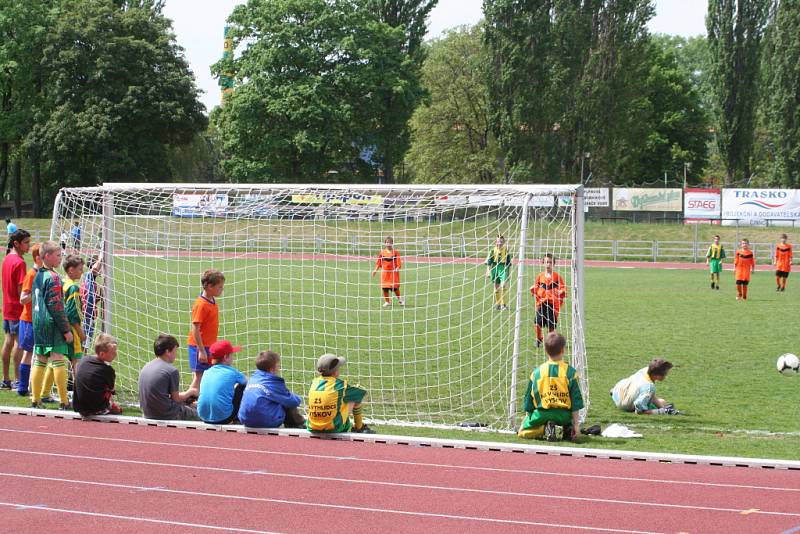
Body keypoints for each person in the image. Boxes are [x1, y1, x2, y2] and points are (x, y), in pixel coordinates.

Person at [30, 241, 74, 410]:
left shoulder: (38, 275)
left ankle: (35, 399)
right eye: (57, 255)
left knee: (40, 359)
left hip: (38, 321)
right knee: (58, 359)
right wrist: (66, 329)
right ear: (47, 256)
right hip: (51, 322)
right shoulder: (54, 277)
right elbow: (57, 307)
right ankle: (64, 401)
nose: (60, 258)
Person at [518, 331, 583, 441]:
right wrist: (576, 425)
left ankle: (545, 429)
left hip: (542, 414)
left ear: (545, 350)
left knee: (522, 432)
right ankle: (567, 429)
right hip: (564, 415)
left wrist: (527, 419)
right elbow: (575, 401)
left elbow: (528, 400)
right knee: (569, 422)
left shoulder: (537, 373)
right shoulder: (570, 372)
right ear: (563, 350)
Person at [307, 353, 374, 434]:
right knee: (353, 399)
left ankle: (358, 427)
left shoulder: (313, 382)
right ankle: (359, 427)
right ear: (335, 372)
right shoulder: (341, 386)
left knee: (339, 400)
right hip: (333, 428)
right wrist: (357, 387)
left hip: (312, 427)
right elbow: (363, 393)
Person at [138, 334, 199, 421]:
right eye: (175, 351)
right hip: (167, 415)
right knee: (204, 415)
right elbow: (176, 399)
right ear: (167, 352)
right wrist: (190, 392)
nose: (176, 355)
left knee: (188, 403)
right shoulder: (171, 371)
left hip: (147, 413)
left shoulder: (146, 366)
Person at [238, 350, 304, 428]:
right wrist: (298, 398)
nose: (279, 368)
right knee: (287, 399)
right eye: (278, 365)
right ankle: (298, 425)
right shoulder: (273, 382)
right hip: (265, 422)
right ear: (271, 369)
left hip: (245, 420)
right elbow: (293, 401)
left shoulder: (252, 378)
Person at [1, 229, 30, 389]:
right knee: (20, 344)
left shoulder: (6, 259)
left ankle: (6, 379)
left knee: (8, 341)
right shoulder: (20, 262)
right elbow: (21, 292)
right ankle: (18, 380)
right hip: (17, 309)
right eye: (26, 243)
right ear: (16, 243)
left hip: (7, 307)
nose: (28, 246)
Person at [187, 269, 225, 391]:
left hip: (209, 346)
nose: (222, 289)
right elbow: (195, 329)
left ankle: (198, 401)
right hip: (199, 347)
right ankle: (188, 404)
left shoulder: (212, 300)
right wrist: (202, 351)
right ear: (209, 286)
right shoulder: (201, 305)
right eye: (219, 287)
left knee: (205, 375)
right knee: (199, 377)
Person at [197, 340, 248, 425]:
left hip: (203, 417)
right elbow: (249, 382)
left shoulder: (206, 372)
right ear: (225, 357)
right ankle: (241, 417)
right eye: (232, 355)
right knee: (241, 387)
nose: (233, 358)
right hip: (224, 418)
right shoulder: (232, 372)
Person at [73, 334, 122, 417]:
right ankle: (107, 407)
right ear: (102, 354)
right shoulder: (107, 370)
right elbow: (112, 390)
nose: (115, 354)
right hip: (95, 408)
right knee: (108, 389)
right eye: (113, 353)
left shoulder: (83, 360)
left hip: (79, 407)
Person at [610, 359, 679, 415]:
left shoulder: (645, 370)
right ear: (657, 375)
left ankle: (614, 391)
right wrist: (662, 412)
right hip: (624, 405)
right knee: (662, 401)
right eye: (665, 374)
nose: (666, 376)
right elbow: (639, 410)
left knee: (661, 402)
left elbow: (651, 394)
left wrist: (662, 407)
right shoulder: (649, 386)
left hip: (618, 392)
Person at [17, 242, 42, 396]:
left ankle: (35, 387)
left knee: (37, 353)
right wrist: (36, 293)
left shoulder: (41, 273)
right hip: (28, 321)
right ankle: (22, 387)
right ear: (39, 258)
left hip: (37, 320)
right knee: (28, 353)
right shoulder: (31, 274)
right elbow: (22, 298)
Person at [530, 253, 566, 348]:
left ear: (553, 264)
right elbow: (536, 287)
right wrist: (533, 289)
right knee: (537, 323)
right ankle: (538, 339)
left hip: (552, 305)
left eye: (550, 262)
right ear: (543, 263)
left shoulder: (557, 277)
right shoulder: (540, 276)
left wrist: (561, 291)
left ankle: (550, 342)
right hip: (542, 303)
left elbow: (563, 288)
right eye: (546, 262)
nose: (548, 264)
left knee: (551, 326)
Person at [62, 254, 87, 376]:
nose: (82, 272)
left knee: (60, 357)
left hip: (61, 326)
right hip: (72, 329)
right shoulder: (73, 288)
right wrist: (80, 332)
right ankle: (78, 390)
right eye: (80, 269)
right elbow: (72, 314)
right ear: (71, 270)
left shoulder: (62, 283)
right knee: (77, 359)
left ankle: (68, 385)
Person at [371, 236, 404, 307]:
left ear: (392, 243)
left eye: (390, 242)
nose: (388, 244)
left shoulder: (395, 253)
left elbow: (399, 263)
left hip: (393, 273)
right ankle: (387, 301)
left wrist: (397, 268)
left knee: (395, 288)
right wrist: (375, 270)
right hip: (385, 273)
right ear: (385, 243)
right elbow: (378, 263)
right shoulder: (382, 253)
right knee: (384, 288)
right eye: (387, 242)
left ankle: (400, 299)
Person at [79, 256, 102, 353]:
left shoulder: (91, 282)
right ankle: (78, 366)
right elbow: (95, 269)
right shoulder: (88, 278)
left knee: (84, 346)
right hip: (87, 317)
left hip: (89, 317)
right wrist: (101, 258)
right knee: (84, 347)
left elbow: (93, 301)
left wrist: (101, 296)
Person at [485, 235, 512, 310]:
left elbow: (508, 263)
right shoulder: (492, 251)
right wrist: (488, 271)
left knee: (503, 285)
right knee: (496, 287)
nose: (499, 243)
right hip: (494, 268)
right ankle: (498, 304)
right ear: (495, 242)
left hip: (503, 268)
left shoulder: (506, 251)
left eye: (501, 242)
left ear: (504, 242)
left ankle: (503, 304)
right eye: (498, 241)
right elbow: (489, 262)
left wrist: (509, 273)